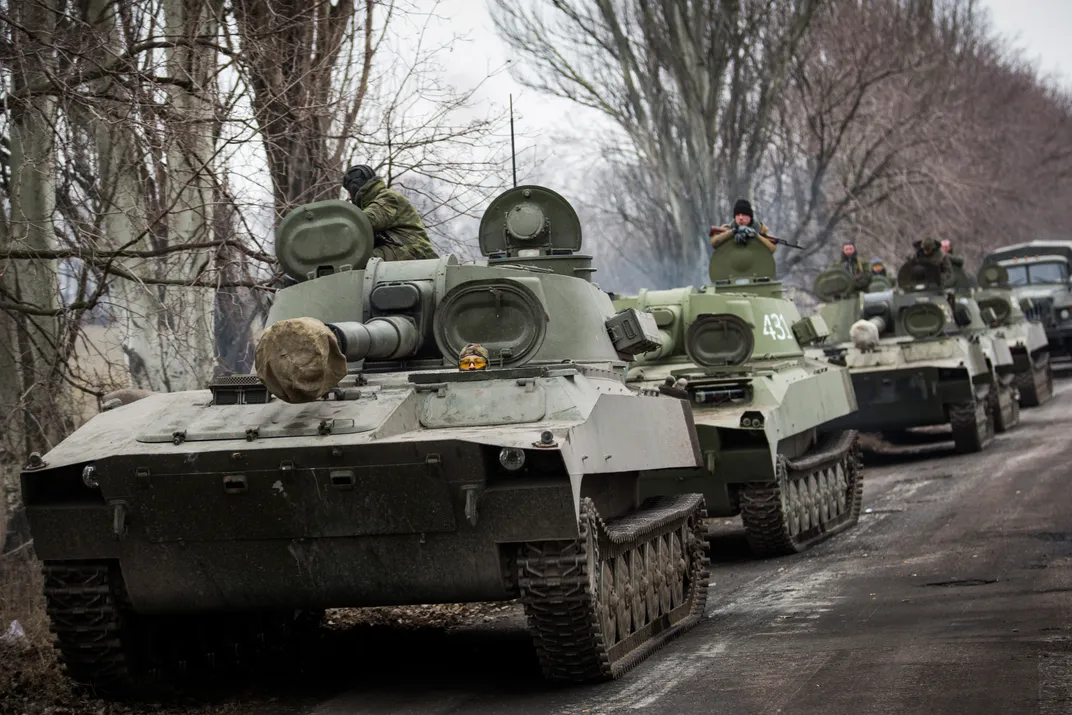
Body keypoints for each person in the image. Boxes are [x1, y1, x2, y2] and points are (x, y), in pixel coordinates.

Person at [342, 165, 439, 261]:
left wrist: (339, 229)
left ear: (355, 187)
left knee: (358, 261)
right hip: (399, 247)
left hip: (413, 250)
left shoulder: (388, 197)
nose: (349, 197)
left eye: (349, 192)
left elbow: (370, 220)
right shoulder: (375, 201)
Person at [709, 199, 777, 253]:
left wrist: (756, 235)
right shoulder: (728, 228)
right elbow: (714, 243)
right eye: (738, 215)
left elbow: (772, 249)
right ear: (734, 217)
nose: (741, 218)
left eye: (744, 214)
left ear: (750, 217)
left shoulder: (761, 229)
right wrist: (733, 231)